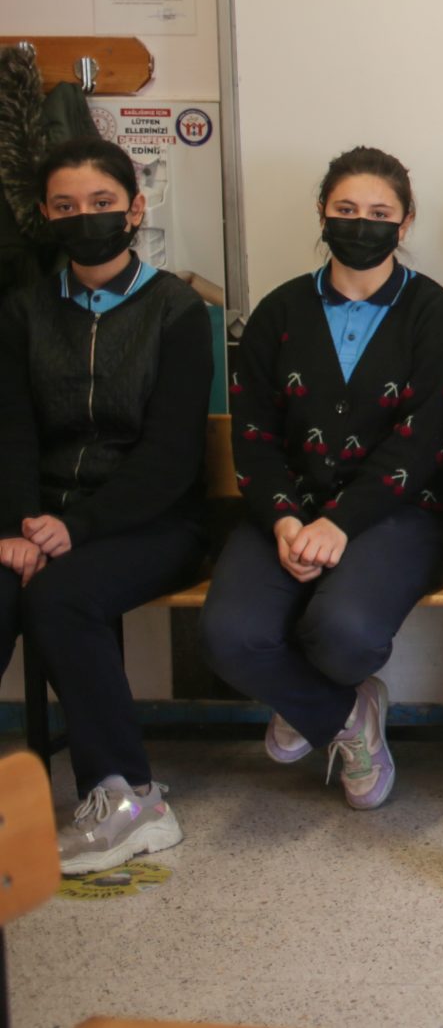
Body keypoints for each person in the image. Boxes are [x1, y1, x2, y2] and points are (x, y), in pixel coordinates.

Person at [204, 147, 443, 813]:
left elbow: (425, 439)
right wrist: (287, 519)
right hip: (286, 507)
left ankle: (308, 699)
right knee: (229, 636)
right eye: (346, 209)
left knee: (344, 633)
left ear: (405, 222)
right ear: (322, 212)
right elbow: (253, 434)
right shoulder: (280, 311)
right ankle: (342, 714)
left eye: (379, 212)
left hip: (399, 511)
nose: (361, 223)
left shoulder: (434, 312)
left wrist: (340, 522)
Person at [0, 137, 210, 873]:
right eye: (65, 206)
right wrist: (16, 527)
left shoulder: (177, 310)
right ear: (44, 215)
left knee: (59, 598)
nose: (83, 217)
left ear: (135, 208)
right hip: (40, 518)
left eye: (101, 202)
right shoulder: (23, 311)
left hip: (153, 522)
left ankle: (129, 798)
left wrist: (77, 526)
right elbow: (12, 431)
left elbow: (171, 456)